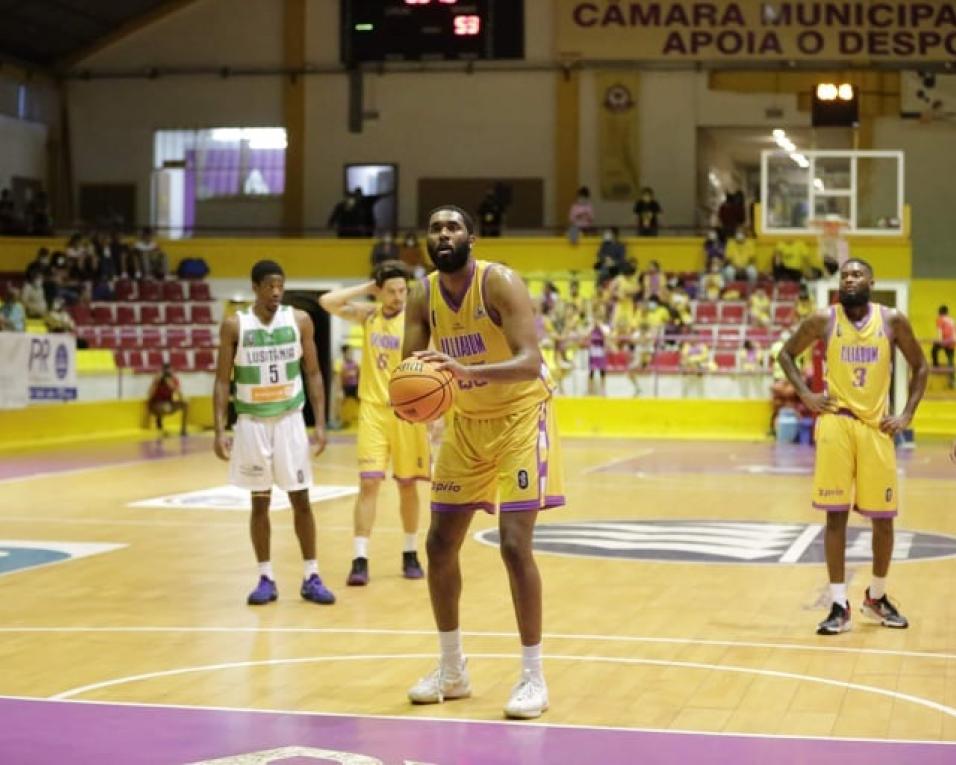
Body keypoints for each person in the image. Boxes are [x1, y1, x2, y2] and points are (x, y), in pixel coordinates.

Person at [402, 205, 565, 719]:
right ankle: (452, 670)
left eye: (453, 227)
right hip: (466, 424)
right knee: (438, 543)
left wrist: (463, 371)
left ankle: (533, 677)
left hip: (521, 415)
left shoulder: (500, 283)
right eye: (435, 228)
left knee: (515, 547)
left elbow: (530, 362)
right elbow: (413, 367)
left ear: (471, 236)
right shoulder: (421, 293)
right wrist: (410, 397)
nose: (444, 234)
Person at [777, 258, 928, 636]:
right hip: (836, 423)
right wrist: (807, 395)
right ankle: (839, 603)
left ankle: (876, 597)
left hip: (876, 427)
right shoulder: (823, 320)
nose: (849, 279)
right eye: (844, 275)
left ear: (871, 281)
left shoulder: (892, 320)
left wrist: (907, 414)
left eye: (856, 274)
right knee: (835, 517)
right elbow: (785, 355)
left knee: (884, 519)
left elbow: (921, 367)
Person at [213, 259, 335, 607]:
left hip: (289, 419)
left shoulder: (299, 320)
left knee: (301, 498)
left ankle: (312, 574)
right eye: (269, 285)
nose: (276, 292)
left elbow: (313, 373)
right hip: (251, 422)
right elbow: (222, 380)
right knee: (259, 501)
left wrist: (321, 423)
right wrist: (220, 428)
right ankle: (265, 576)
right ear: (255, 288)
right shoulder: (235, 326)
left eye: (280, 285)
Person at [319, 261, 429, 586]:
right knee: (368, 485)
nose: (399, 297)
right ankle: (359, 558)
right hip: (373, 412)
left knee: (407, 484)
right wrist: (367, 289)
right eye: (392, 291)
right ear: (380, 292)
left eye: (402, 291)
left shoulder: (416, 320)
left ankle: (410, 551)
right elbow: (328, 301)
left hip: (407, 412)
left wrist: (433, 415)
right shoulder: (369, 316)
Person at [147, 362, 189, 436]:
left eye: (169, 372)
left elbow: (181, 396)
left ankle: (183, 429)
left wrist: (172, 386)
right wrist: (156, 382)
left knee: (185, 404)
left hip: (168, 403)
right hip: (156, 404)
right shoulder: (157, 380)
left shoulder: (174, 380)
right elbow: (149, 395)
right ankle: (159, 418)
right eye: (165, 373)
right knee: (166, 407)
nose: (167, 375)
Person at [931, 305, 955, 381]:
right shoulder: (951, 320)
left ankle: (936, 366)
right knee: (950, 359)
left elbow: (940, 330)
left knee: (934, 349)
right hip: (952, 341)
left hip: (945, 340)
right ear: (947, 312)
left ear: (940, 312)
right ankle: (951, 379)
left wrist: (940, 340)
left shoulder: (940, 319)